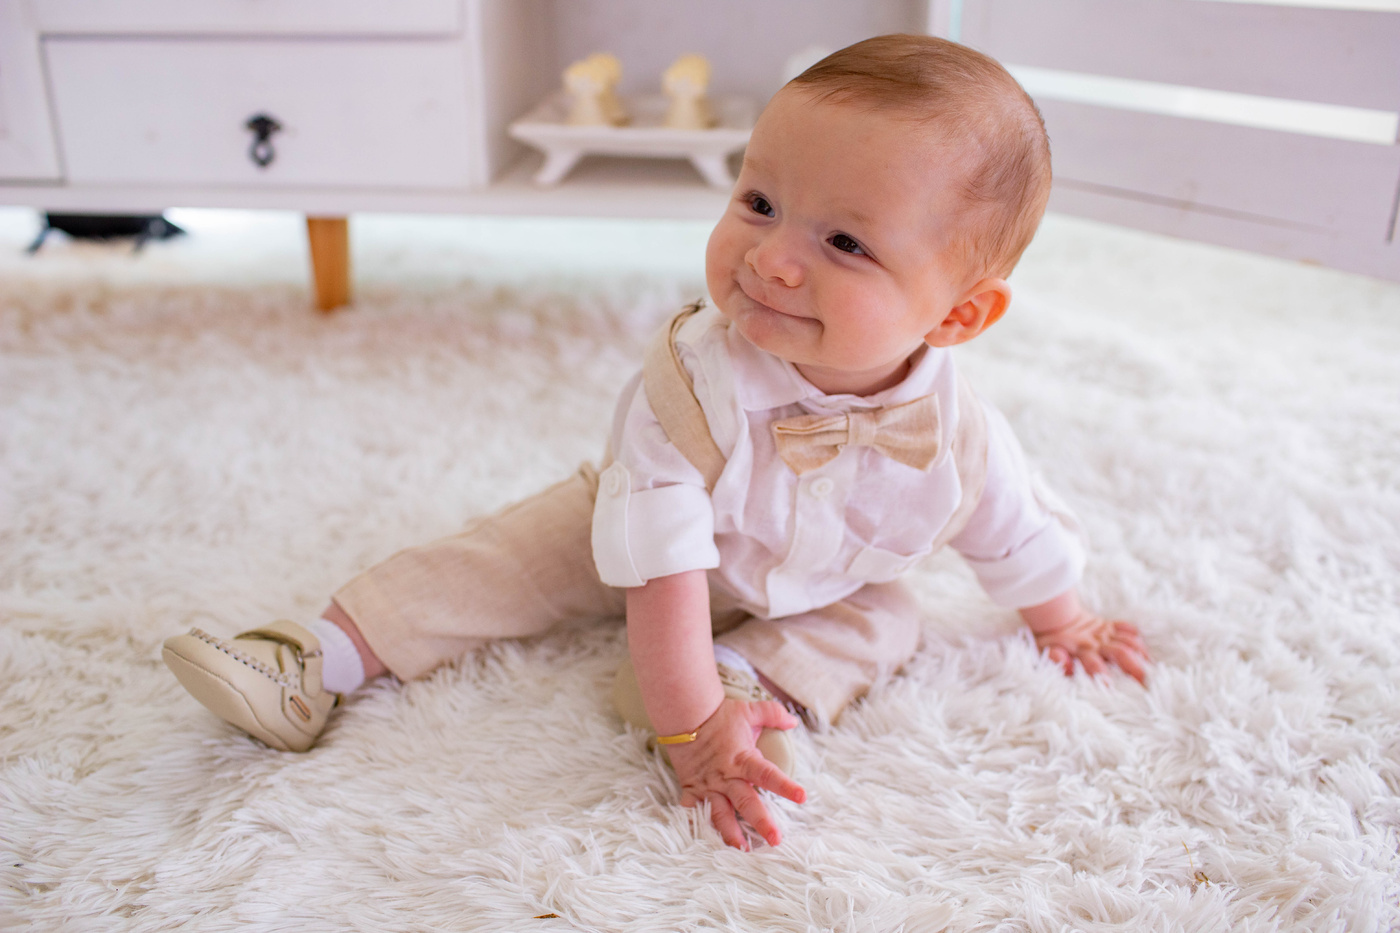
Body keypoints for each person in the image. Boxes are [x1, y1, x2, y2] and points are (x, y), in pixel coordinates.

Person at [162, 34, 1150, 853]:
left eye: (844, 244)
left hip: (826, 578)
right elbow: (665, 571)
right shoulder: (692, 382)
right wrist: (690, 733)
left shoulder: (955, 436)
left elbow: (1012, 530)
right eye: (759, 203)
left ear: (959, 315)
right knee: (510, 558)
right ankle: (318, 657)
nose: (772, 258)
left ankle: (748, 683)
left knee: (890, 620)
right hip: (661, 543)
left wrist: (1061, 620)